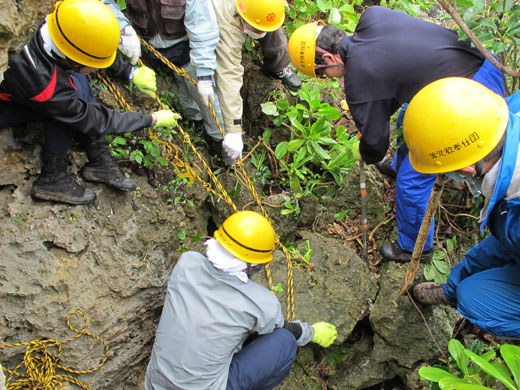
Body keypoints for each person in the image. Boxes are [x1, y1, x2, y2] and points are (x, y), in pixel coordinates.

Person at [287, 6, 505, 262]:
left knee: (411, 184)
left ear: (327, 58)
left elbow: (376, 145)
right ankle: (400, 165)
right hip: (488, 63)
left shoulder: (359, 80)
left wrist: (368, 151)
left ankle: (416, 248)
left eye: (322, 74)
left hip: (472, 98)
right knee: (407, 115)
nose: (327, 79)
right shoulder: (373, 16)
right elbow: (394, 76)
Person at [0, 0, 180, 205]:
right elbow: (91, 119)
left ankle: (99, 158)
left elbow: (88, 44)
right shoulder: (44, 83)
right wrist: (151, 119)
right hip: (8, 105)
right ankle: (52, 178)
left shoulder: (57, 24)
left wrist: (129, 71)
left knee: (74, 82)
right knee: (70, 100)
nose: (97, 68)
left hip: (27, 88)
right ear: (76, 59)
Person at [145, 210, 338, 389]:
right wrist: (312, 333)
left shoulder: (187, 262)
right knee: (284, 341)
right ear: (252, 266)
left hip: (155, 384)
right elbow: (282, 329)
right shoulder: (260, 303)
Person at [405, 77, 520, 339]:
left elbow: (507, 241)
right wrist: (452, 286)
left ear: (468, 168)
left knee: (473, 299)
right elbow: (504, 243)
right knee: (466, 286)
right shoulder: (504, 114)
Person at [109, 0, 230, 162]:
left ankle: (219, 140)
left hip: (189, 51)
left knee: (208, 101)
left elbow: (203, 30)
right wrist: (122, 28)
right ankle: (195, 123)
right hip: (152, 52)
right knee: (184, 101)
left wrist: (205, 75)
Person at [210, 0, 303, 163]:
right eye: (256, 29)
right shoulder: (227, 24)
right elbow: (229, 76)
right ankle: (221, 135)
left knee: (269, 21)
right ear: (242, 17)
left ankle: (278, 64)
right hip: (211, 23)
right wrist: (233, 131)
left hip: (257, 9)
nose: (260, 32)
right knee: (214, 79)